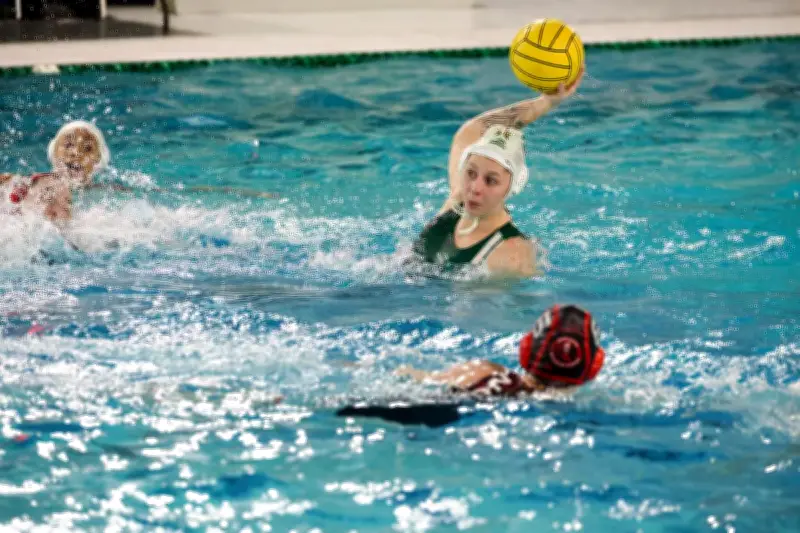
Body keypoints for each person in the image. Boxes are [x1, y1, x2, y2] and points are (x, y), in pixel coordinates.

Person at [408, 67, 585, 278]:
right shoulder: (456, 203)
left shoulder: (511, 255)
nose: (474, 188)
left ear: (511, 187)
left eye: (491, 181)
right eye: (471, 173)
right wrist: (545, 103)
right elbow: (474, 128)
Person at [395, 303, 604, 397]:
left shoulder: (482, 372)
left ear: (525, 350)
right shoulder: (591, 406)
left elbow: (407, 377)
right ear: (593, 368)